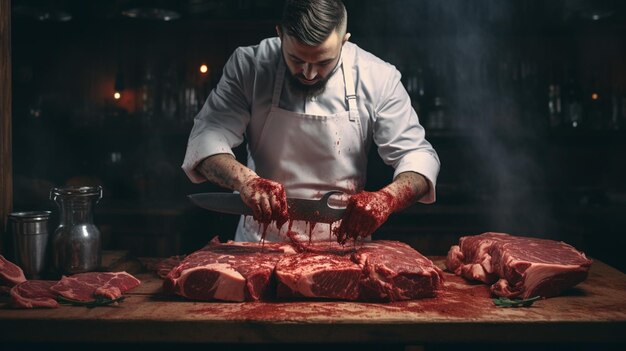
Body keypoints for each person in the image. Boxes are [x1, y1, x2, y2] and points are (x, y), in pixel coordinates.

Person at [182, 0, 440, 243]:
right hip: (260, 242)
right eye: (296, 59)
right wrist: (246, 182)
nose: (308, 73)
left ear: (344, 41)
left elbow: (417, 155)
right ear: (280, 34)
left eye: (324, 62)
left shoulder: (378, 76)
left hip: (343, 244)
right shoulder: (249, 65)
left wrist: (387, 199)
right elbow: (206, 139)